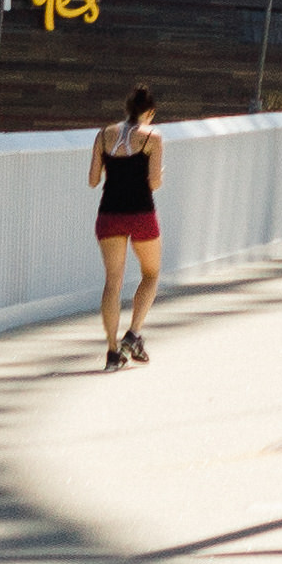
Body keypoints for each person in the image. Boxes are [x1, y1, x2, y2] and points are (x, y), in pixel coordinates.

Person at [88, 87, 164, 367]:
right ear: (150, 113)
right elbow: (154, 183)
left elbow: (93, 180)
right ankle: (133, 334)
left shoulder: (102, 135)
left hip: (109, 213)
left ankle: (112, 351)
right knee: (151, 273)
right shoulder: (153, 138)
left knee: (113, 281)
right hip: (141, 213)